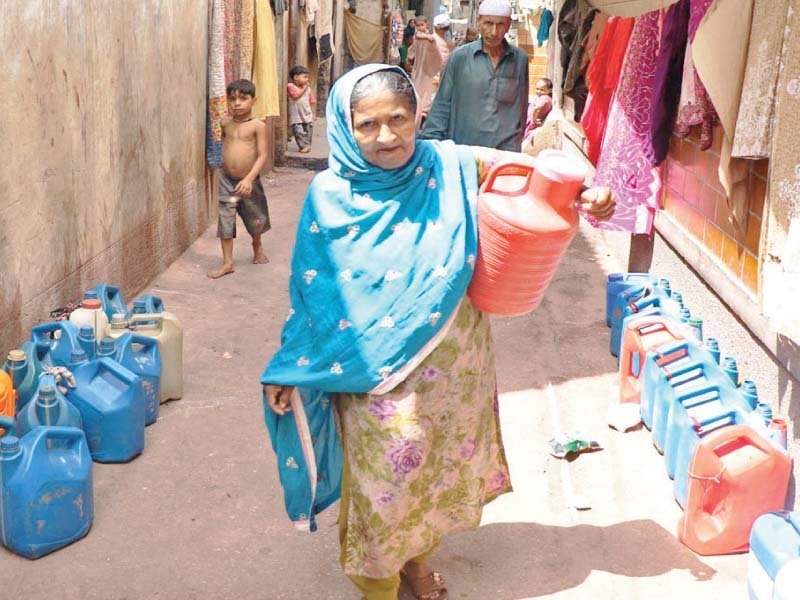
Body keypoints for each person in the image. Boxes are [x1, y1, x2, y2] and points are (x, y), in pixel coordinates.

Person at [261, 64, 615, 600]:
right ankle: (379, 584)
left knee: (433, 472)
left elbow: (534, 171)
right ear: (344, 126)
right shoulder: (328, 194)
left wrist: (588, 191)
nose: (387, 137)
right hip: (369, 376)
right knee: (382, 487)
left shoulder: (451, 165)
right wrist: (291, 365)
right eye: (368, 125)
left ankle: (417, 564)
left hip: (455, 363)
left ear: (418, 115)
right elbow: (311, 290)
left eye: (399, 119)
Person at [421, 0, 529, 151]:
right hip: (463, 151)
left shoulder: (519, 59)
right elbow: (442, 104)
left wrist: (514, 149)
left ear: (509, 25)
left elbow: (521, 110)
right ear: (479, 22)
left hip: (502, 154)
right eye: (488, 23)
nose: (494, 32)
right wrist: (431, 147)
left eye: (500, 24)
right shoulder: (460, 57)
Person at [207, 79, 270, 279]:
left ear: (254, 100)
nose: (237, 103)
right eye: (232, 99)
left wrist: (250, 178)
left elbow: (262, 155)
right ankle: (227, 263)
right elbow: (220, 147)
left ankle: (257, 244)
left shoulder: (257, 126)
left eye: (243, 98)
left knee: (254, 218)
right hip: (227, 180)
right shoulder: (225, 124)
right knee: (225, 220)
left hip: (248, 181)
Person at [408, 15, 451, 127]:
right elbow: (441, 63)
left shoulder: (425, 39)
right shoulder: (437, 42)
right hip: (432, 76)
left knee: (420, 100)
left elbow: (410, 56)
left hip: (421, 75)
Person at [288, 65, 317, 154]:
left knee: (308, 130)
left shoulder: (308, 89)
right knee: (298, 131)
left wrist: (313, 113)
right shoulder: (290, 86)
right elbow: (296, 96)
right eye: (304, 77)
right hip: (296, 115)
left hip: (307, 113)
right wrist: (304, 88)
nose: (307, 79)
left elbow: (312, 101)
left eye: (307, 77)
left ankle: (307, 145)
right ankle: (303, 146)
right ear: (296, 77)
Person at [523, 77, 554, 141]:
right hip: (529, 119)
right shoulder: (541, 97)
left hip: (531, 121)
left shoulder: (545, 98)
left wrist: (534, 119)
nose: (539, 91)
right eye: (537, 89)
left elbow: (537, 108)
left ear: (550, 90)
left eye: (542, 90)